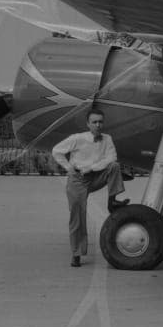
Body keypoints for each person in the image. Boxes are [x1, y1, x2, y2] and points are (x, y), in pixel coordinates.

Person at [52, 108, 129, 267]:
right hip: (77, 180)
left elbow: (111, 158)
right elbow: (56, 151)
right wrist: (68, 167)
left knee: (114, 166)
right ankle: (76, 254)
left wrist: (92, 168)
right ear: (88, 124)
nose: (98, 125)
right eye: (94, 122)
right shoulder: (77, 138)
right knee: (77, 217)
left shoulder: (107, 139)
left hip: (95, 176)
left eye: (100, 121)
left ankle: (112, 201)